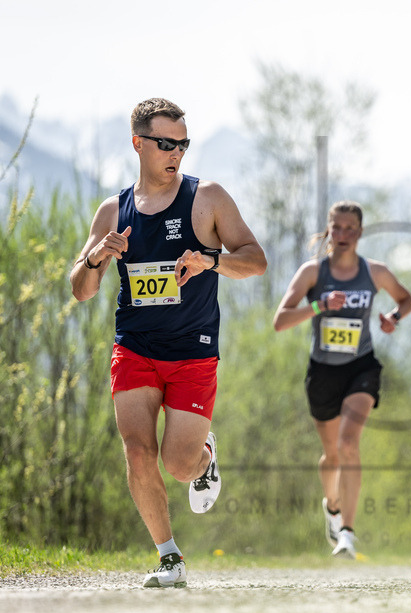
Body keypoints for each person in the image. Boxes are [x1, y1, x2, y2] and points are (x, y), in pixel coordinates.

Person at [70, 98, 267, 588]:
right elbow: (81, 290)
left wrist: (210, 261)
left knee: (178, 465)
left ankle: (204, 457)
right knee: (138, 452)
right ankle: (169, 557)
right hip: (134, 347)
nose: (176, 152)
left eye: (183, 143)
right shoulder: (113, 210)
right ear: (138, 143)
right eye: (165, 143)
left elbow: (256, 260)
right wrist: (95, 258)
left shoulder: (207, 198)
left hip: (192, 352)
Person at [272, 201, 411, 560]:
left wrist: (394, 318)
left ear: (360, 232)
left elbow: (406, 299)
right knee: (332, 455)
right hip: (322, 372)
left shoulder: (375, 271)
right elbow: (280, 320)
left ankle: (347, 533)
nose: (344, 234)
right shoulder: (312, 272)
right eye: (337, 227)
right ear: (329, 230)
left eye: (351, 228)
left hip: (361, 367)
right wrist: (319, 306)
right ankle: (332, 507)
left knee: (349, 444)